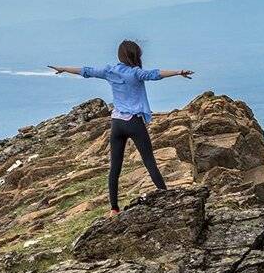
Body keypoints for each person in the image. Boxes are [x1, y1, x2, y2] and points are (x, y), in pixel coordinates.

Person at [49, 40, 193, 215]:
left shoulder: (110, 71)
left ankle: (114, 209)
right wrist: (178, 72)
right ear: (136, 55)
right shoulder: (135, 73)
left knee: (115, 167)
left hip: (117, 123)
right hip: (134, 122)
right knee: (149, 162)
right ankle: (167, 198)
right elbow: (155, 74)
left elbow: (86, 71)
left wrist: (63, 68)